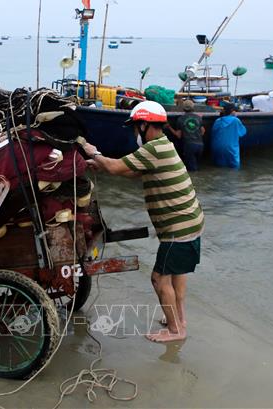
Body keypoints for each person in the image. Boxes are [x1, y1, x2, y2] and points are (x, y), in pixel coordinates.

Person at [83, 101, 205, 343]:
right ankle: (179, 319)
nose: (133, 133)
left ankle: (175, 330)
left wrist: (93, 152)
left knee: (159, 278)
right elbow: (132, 171)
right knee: (176, 273)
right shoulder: (163, 146)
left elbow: (118, 166)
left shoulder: (153, 149)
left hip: (177, 228)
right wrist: (102, 165)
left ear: (144, 125)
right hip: (191, 221)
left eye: (134, 128)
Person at [166, 99, 205, 171]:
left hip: (189, 146)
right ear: (193, 107)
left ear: (183, 108)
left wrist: (169, 127)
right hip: (200, 145)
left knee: (192, 170)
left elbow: (178, 135)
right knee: (197, 166)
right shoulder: (199, 118)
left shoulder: (180, 119)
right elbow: (203, 131)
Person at [211, 102, 247, 169]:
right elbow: (243, 132)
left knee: (220, 168)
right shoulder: (235, 120)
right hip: (231, 149)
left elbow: (213, 132)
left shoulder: (217, 121)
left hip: (217, 148)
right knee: (234, 169)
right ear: (232, 111)